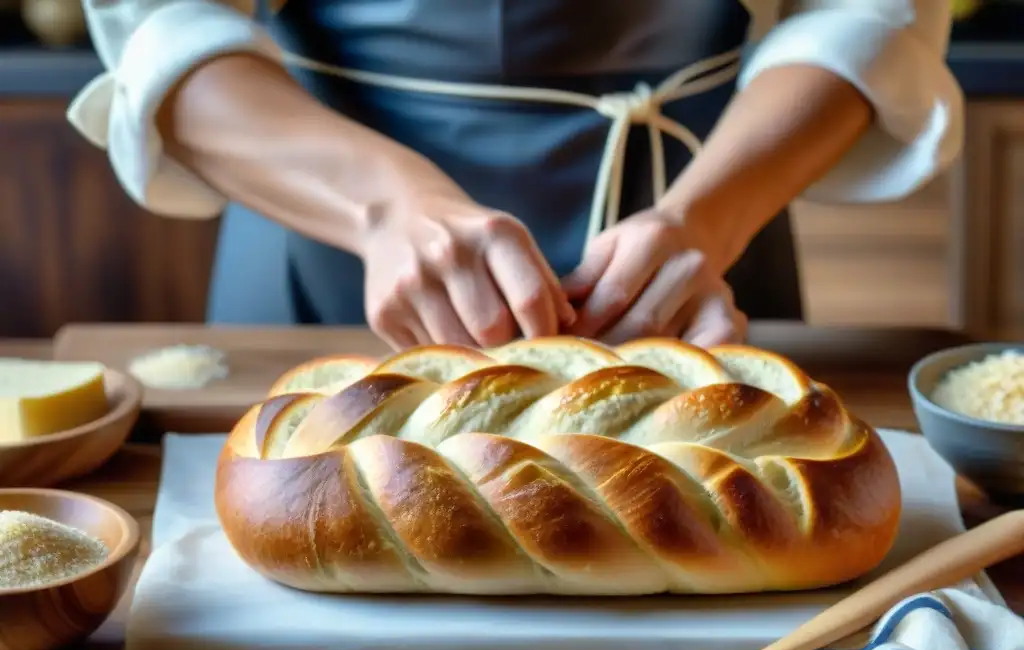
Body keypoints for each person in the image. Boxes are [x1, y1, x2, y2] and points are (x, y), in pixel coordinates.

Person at [72, 0, 962, 350]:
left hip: (702, 217)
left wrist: (709, 219)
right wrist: (385, 209)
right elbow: (164, 29)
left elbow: (869, 13)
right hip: (325, 223)